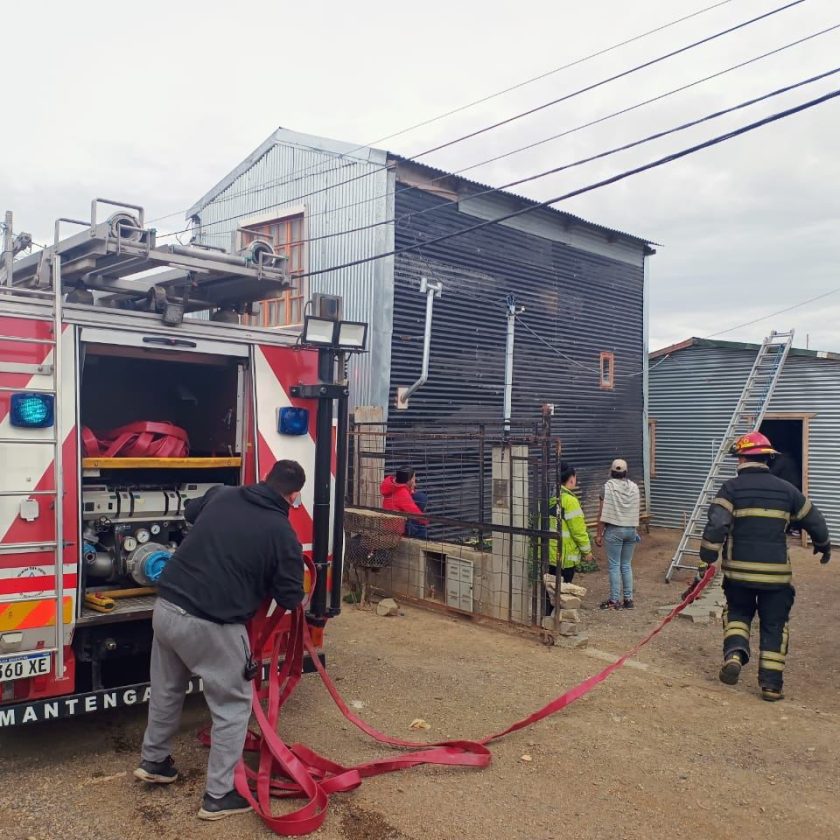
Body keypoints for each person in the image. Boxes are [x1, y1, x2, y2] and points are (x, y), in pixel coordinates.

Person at [134, 460, 306, 820]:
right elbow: (290, 598)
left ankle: (154, 762)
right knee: (232, 708)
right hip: (212, 623)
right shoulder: (282, 532)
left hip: (166, 608)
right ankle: (220, 794)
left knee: (166, 690)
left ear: (264, 480)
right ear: (293, 497)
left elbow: (191, 512)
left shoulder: (223, 494)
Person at [699, 431, 830, 702]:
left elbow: (717, 526)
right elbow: (814, 519)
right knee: (774, 625)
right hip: (776, 576)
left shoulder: (730, 490)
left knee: (737, 614)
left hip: (738, 574)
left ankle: (735, 654)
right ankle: (771, 686)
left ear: (741, 459)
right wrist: (823, 544)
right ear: (768, 459)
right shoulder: (787, 490)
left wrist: (707, 559)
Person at [546, 462, 593, 614]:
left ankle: (547, 618)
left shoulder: (551, 497)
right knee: (562, 591)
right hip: (565, 556)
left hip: (551, 553)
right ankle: (557, 621)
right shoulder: (570, 501)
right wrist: (587, 551)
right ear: (571, 479)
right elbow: (579, 531)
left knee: (550, 589)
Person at [595, 458, 640, 610]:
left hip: (614, 530)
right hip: (631, 530)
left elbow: (601, 513)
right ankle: (628, 600)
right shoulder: (634, 487)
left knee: (614, 566)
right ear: (626, 472)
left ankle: (614, 600)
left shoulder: (607, 487)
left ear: (611, 471)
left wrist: (599, 534)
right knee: (626, 565)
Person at [381, 466, 428, 539]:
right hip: (396, 529)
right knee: (421, 527)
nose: (415, 483)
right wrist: (425, 521)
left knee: (419, 496)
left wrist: (410, 490)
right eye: (414, 479)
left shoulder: (393, 484)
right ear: (409, 481)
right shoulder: (402, 493)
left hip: (388, 524)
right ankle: (421, 545)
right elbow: (414, 511)